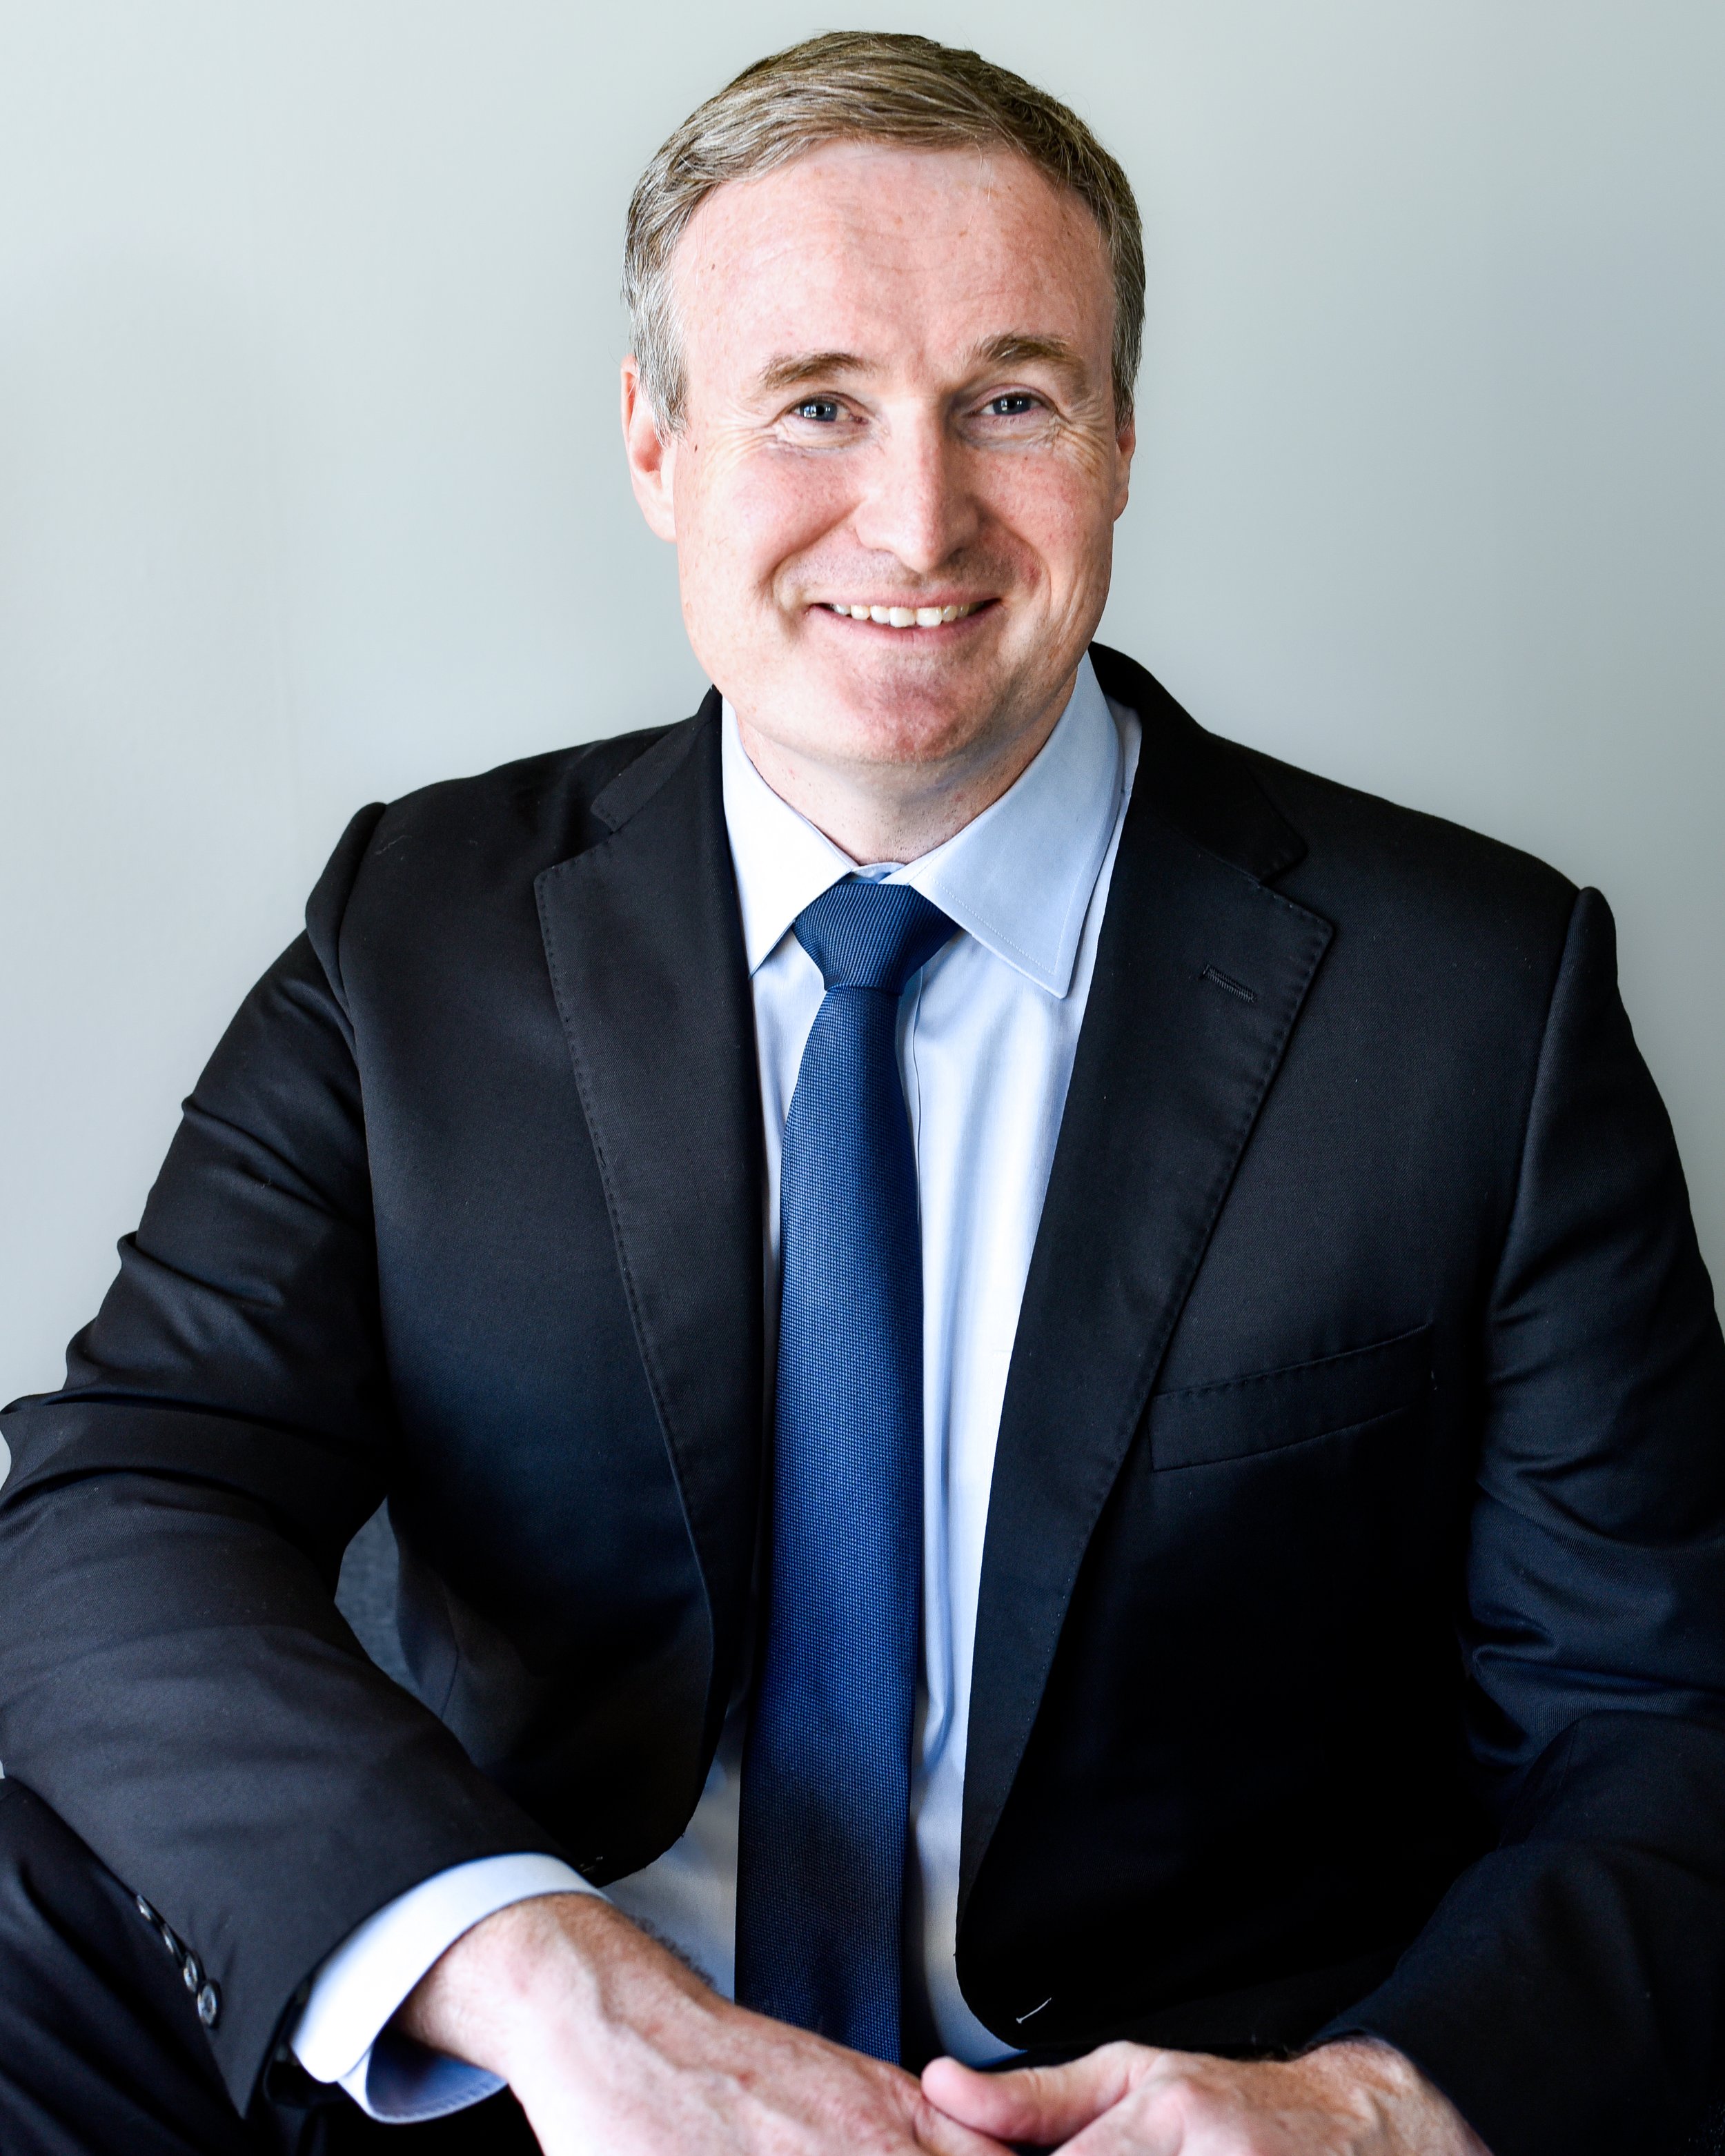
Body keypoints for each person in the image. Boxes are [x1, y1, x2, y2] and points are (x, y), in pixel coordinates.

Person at [1, 29, 1722, 2156]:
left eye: (1009, 399)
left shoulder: (1475, 996)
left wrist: (1362, 2112)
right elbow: (115, 1506)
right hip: (533, 2076)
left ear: (1114, 444)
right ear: (655, 445)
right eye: (816, 404)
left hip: (1157, 2110)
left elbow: (1656, 1726)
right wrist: (537, 1981)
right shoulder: (419, 925)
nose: (913, 516)